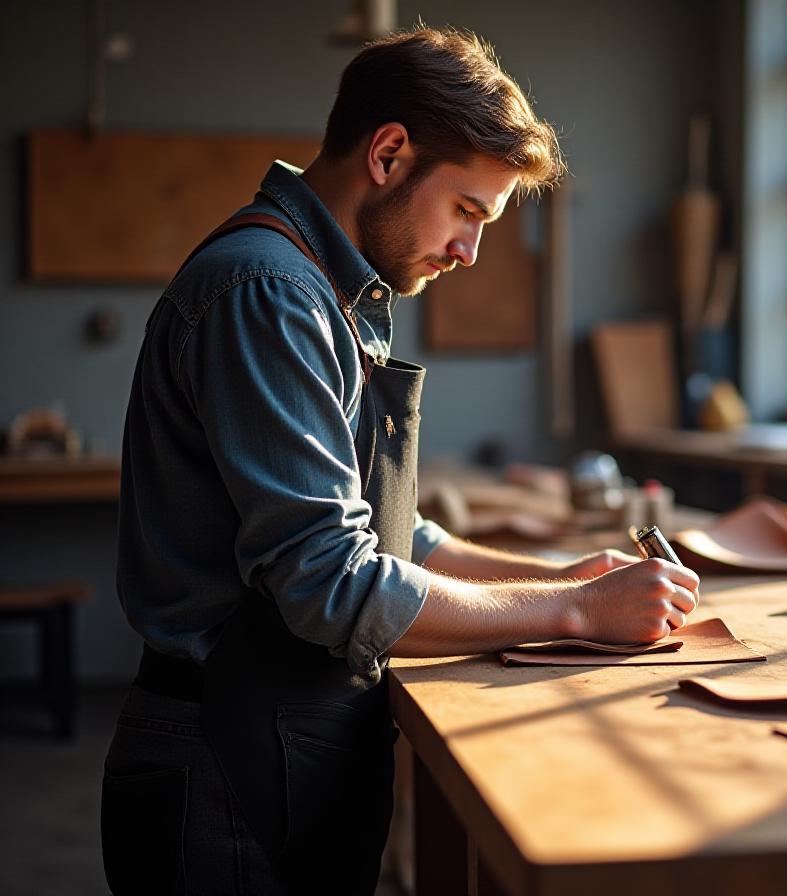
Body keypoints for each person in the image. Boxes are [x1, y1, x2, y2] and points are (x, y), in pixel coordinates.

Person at [102, 25, 698, 895]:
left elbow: (394, 537)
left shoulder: (318, 289)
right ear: (388, 153)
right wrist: (571, 612)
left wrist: (565, 576)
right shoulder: (269, 293)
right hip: (224, 763)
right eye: (467, 211)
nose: (470, 251)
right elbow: (332, 581)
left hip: (276, 737)